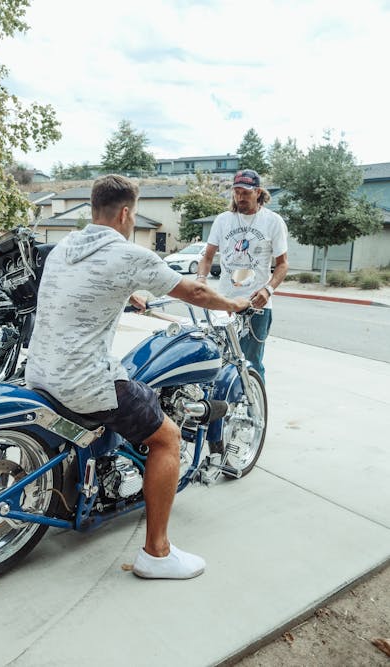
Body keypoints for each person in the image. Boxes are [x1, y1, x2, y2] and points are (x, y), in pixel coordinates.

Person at [25, 174, 249, 580]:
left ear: (95, 208)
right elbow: (196, 294)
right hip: (83, 382)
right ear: (126, 213)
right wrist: (231, 302)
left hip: (40, 371)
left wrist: (130, 293)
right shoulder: (128, 253)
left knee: (138, 392)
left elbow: (83, 286)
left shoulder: (64, 248)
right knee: (168, 437)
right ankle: (157, 553)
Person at [196, 169, 288, 381]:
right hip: (224, 303)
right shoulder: (223, 220)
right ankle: (225, 410)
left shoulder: (272, 221)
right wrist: (201, 279)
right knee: (220, 360)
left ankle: (254, 410)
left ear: (257, 192)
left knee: (251, 363)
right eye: (236, 192)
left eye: (245, 192)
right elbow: (207, 257)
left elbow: (283, 265)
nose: (240, 197)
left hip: (256, 305)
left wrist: (269, 289)